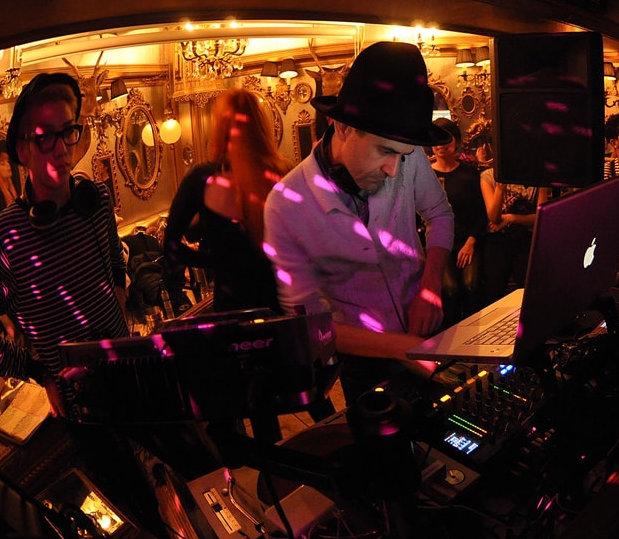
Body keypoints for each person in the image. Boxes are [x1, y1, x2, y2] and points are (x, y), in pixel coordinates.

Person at [0, 73, 174, 539]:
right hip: (83, 402)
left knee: (181, 476)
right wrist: (41, 374)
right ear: (22, 151)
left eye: (68, 131)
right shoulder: (7, 235)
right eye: (45, 137)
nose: (61, 147)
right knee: (136, 513)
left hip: (128, 369)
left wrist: (119, 323)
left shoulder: (95, 200)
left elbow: (114, 272)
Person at [264, 41, 455, 405]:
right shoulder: (285, 206)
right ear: (342, 126)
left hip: (428, 331)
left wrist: (430, 287)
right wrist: (401, 348)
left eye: (403, 156)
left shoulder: (405, 155)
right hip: (367, 361)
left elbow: (440, 215)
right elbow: (311, 327)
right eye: (385, 152)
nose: (394, 170)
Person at [164, 87, 292, 314]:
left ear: (221, 129)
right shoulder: (284, 174)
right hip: (281, 303)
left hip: (231, 307)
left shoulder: (201, 179)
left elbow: (171, 247)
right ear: (262, 127)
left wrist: (216, 261)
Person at [478, 122, 549, 304]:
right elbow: (493, 218)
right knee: (493, 292)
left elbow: (542, 218)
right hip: (497, 239)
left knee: (528, 291)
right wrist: (500, 188)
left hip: (526, 238)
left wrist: (511, 218)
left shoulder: (537, 176)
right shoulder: (488, 176)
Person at [431, 117, 488, 328]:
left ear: (456, 142)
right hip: (440, 244)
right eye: (436, 140)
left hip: (468, 241)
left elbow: (481, 213)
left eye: (446, 139)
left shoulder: (469, 174)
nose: (440, 145)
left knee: (471, 285)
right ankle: (449, 339)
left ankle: (473, 335)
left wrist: (471, 242)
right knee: (450, 289)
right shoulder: (427, 176)